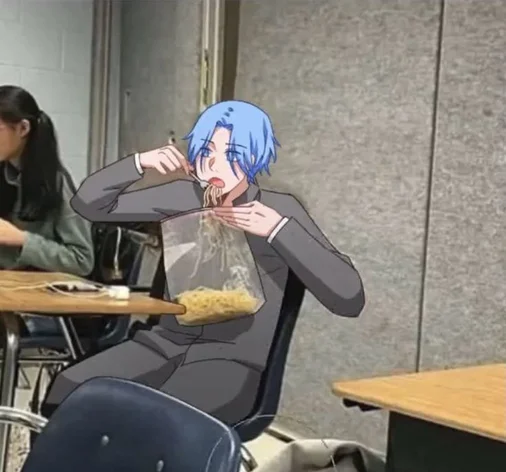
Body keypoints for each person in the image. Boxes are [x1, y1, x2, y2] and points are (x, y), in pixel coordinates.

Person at [43, 100, 365, 425]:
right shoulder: (182, 197)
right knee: (68, 386)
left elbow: (349, 297)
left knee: (152, 416)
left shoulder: (278, 209)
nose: (215, 165)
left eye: (232, 154)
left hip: (231, 360)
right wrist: (140, 163)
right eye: (207, 151)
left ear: (254, 157)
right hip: (162, 344)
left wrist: (278, 230)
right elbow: (87, 204)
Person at [0, 85, 94, 335]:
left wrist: (21, 239)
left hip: (38, 307)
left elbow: (82, 260)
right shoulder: (6, 174)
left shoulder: (56, 185)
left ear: (23, 129)